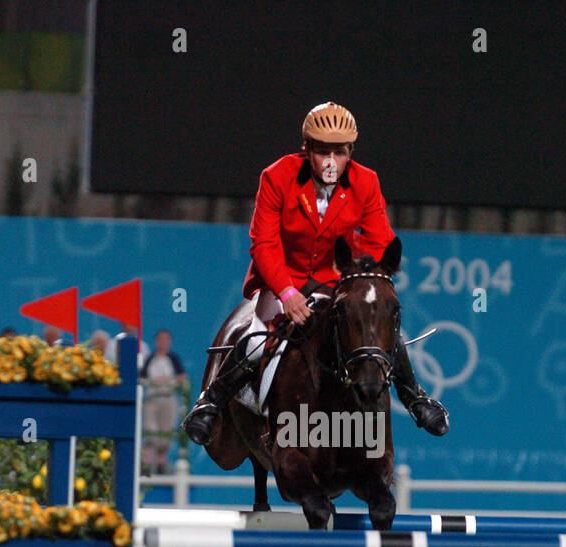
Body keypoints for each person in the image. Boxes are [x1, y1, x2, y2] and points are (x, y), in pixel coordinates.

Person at [181, 102, 448, 444]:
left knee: (373, 325)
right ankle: (211, 403)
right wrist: (287, 293)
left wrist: (370, 281)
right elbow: (263, 243)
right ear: (306, 148)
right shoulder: (276, 176)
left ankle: (414, 396)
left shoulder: (366, 182)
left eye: (340, 152)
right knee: (257, 337)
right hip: (284, 278)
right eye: (323, 152)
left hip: (334, 281)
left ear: (351, 151)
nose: (331, 162)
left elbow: (380, 240)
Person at [139, 329, 188, 474]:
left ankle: (161, 462)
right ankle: (146, 463)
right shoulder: (150, 358)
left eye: (166, 339)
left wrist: (168, 381)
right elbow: (141, 377)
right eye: (160, 339)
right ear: (156, 341)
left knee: (167, 431)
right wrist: (153, 382)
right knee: (151, 430)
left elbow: (182, 376)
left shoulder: (173, 358)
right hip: (152, 401)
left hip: (168, 400)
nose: (163, 342)